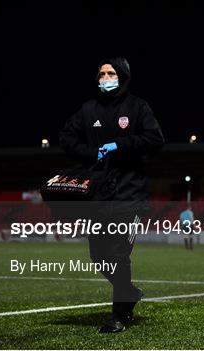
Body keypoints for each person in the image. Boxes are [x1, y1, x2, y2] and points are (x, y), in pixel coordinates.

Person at [59, 57, 164, 333]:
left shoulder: (137, 107)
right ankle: (128, 291)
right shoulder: (88, 109)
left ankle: (120, 315)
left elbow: (155, 139)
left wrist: (119, 145)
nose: (105, 78)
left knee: (119, 254)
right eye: (101, 73)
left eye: (111, 73)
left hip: (130, 195)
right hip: (98, 197)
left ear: (123, 76)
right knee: (98, 256)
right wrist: (91, 152)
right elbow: (66, 139)